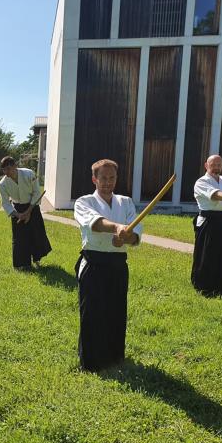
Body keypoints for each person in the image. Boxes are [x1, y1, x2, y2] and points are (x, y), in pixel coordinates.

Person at [73, 159, 142, 372]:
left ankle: (114, 357)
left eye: (112, 178)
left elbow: (136, 235)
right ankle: (92, 362)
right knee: (93, 313)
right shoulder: (84, 202)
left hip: (118, 265)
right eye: (103, 178)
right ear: (94, 179)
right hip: (94, 263)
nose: (107, 182)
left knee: (116, 311)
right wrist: (117, 228)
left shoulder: (126, 202)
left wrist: (126, 238)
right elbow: (95, 223)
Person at [191, 155, 222, 297]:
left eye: (219, 164)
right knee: (207, 254)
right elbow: (214, 195)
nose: (216, 167)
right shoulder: (201, 182)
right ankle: (204, 287)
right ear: (206, 165)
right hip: (208, 221)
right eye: (213, 164)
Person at [0, 156, 51, 269]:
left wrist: (28, 212)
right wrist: (18, 215)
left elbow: (37, 193)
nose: (6, 172)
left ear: (15, 166)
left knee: (36, 234)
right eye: (4, 169)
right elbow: (5, 203)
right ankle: (22, 265)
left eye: (8, 168)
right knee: (19, 238)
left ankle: (37, 260)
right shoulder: (3, 184)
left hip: (32, 206)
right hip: (17, 209)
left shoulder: (29, 174)